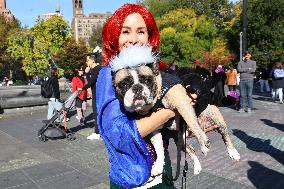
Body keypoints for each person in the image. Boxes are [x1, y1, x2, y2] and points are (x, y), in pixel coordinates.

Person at [96, 4, 176, 188]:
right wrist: (168, 112)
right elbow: (118, 134)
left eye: (140, 31)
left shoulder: (153, 69)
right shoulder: (108, 74)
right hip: (132, 177)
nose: (133, 39)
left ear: (149, 36)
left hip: (163, 169)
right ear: (115, 36)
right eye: (126, 31)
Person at [82, 55, 101, 140]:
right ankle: (100, 131)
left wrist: (86, 73)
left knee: (96, 112)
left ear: (92, 61)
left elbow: (91, 82)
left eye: (87, 60)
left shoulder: (97, 69)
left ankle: (97, 133)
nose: (86, 62)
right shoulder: (96, 69)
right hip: (97, 93)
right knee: (98, 112)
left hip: (97, 94)